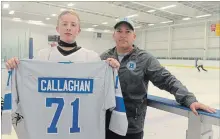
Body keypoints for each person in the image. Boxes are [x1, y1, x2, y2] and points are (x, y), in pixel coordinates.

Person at [100, 18, 216, 139]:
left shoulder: (144, 59)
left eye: (127, 31)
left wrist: (189, 99)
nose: (123, 35)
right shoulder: (104, 57)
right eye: (119, 31)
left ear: (134, 36)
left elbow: (167, 80)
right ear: (114, 35)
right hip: (105, 124)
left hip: (131, 127)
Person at [5, 10, 119, 69]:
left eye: (73, 25)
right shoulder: (42, 56)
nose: (68, 28)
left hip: (82, 113)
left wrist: (110, 67)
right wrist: (15, 65)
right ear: (58, 29)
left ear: (78, 30)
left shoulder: (92, 57)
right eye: (64, 24)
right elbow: (30, 79)